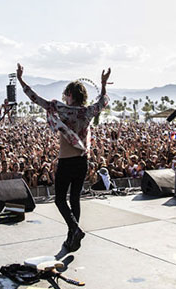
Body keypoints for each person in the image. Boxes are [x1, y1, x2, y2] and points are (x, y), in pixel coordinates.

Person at [17, 63, 111, 252]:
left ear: (70, 95)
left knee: (60, 199)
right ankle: (71, 238)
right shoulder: (88, 112)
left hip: (66, 161)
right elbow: (103, 101)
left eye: (66, 94)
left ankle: (75, 230)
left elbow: (36, 99)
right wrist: (103, 84)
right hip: (82, 161)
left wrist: (21, 80)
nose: (64, 97)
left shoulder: (62, 109)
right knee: (75, 199)